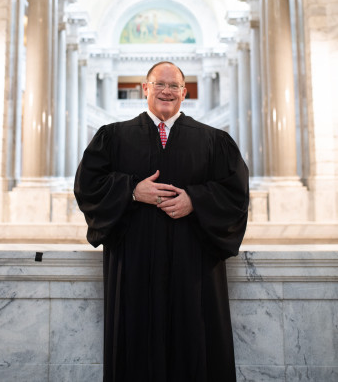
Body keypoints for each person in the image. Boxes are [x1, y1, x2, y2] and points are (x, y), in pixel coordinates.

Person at [74, 61, 249, 382]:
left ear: (184, 92)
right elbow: (87, 187)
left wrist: (195, 200)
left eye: (173, 86)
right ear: (145, 89)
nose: (166, 91)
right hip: (134, 265)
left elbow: (236, 195)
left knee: (195, 345)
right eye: (159, 84)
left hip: (193, 266)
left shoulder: (214, 141)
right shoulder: (112, 137)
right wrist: (130, 191)